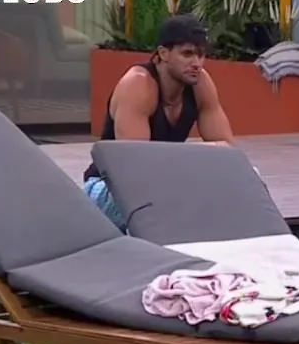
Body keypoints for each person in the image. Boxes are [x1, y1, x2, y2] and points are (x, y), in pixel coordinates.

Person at [83, 14, 235, 231]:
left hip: (163, 180)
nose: (196, 63)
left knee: (245, 179)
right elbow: (136, 168)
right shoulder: (138, 85)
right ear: (163, 53)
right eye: (187, 54)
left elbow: (229, 153)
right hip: (110, 188)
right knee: (158, 195)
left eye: (201, 55)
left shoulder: (201, 84)